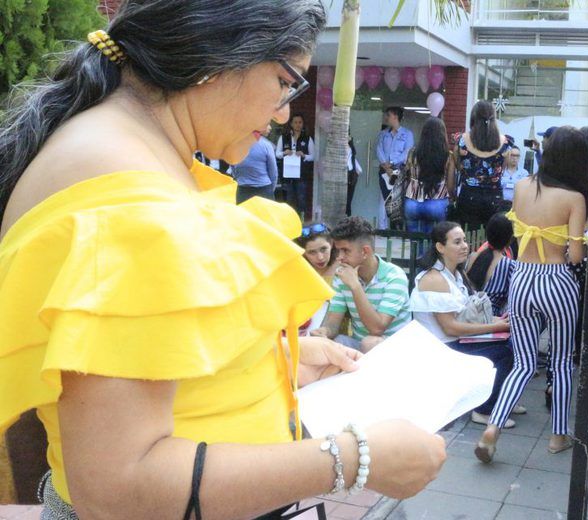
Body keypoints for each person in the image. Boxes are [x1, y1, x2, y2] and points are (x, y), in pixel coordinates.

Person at [0, 2, 447, 518]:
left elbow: (116, 364)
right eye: (285, 81)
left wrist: (267, 363)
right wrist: (351, 458)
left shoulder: (118, 157)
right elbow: (120, 485)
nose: (284, 112)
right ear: (217, 50)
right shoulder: (133, 202)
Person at [474, 126, 588, 462]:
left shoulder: (522, 186)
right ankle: (557, 436)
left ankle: (493, 428)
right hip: (557, 280)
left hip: (522, 277)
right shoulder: (575, 198)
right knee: (562, 361)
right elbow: (577, 256)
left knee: (523, 362)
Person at [409, 222, 523, 427]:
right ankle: (484, 410)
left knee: (515, 342)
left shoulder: (455, 274)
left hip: (455, 340)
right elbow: (450, 328)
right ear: (440, 247)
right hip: (440, 347)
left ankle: (504, 397)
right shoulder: (434, 279)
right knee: (507, 351)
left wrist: (503, 321)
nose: (464, 246)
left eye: (464, 240)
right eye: (457, 242)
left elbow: (466, 316)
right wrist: (496, 327)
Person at [311, 216, 411, 352]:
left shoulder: (394, 276)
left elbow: (377, 329)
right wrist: (325, 331)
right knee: (323, 344)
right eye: (338, 250)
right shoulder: (342, 276)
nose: (339, 257)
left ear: (365, 251)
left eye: (345, 251)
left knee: (370, 342)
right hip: (359, 346)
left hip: (396, 349)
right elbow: (334, 321)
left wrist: (356, 287)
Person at [455, 101, 513, 230]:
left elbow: (458, 166)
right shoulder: (505, 143)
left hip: (468, 196)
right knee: (492, 238)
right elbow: (503, 169)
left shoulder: (462, 140)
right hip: (494, 196)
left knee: (468, 237)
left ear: (473, 117)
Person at [403, 117, 454, 234]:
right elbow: (450, 185)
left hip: (413, 202)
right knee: (433, 241)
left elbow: (408, 176)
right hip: (438, 202)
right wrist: (452, 197)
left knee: (415, 241)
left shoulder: (413, 153)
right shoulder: (448, 156)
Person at [294, 222, 340, 335]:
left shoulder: (344, 266)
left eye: (323, 249)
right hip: (304, 329)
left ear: (332, 244)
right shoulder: (298, 270)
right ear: (304, 253)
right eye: (312, 252)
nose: (320, 257)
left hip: (336, 330)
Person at [467, 213, 516, 316]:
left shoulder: (473, 257)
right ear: (510, 239)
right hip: (492, 319)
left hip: (470, 313)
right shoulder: (509, 265)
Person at [275, 113, 315, 217]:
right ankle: (289, 220)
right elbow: (277, 154)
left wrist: (304, 155)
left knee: (301, 199)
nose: (298, 125)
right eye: (295, 122)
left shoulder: (307, 138)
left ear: (303, 124)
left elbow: (313, 156)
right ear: (291, 124)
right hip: (287, 176)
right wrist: (284, 153)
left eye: (300, 122)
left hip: (301, 175)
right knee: (288, 199)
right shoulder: (284, 138)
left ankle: (301, 221)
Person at [376, 106, 413, 211]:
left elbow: (407, 152)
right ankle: (382, 227)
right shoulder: (383, 134)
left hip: (399, 170)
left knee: (397, 200)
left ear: (395, 117)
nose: (386, 118)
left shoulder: (407, 134)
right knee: (383, 199)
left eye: (388, 115)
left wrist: (392, 162)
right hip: (384, 170)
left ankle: (395, 226)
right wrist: (385, 165)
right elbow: (379, 149)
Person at [233, 124, 278, 203]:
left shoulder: (236, 144)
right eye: (267, 124)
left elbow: (233, 165)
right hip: (263, 190)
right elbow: (273, 172)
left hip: (243, 190)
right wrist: (270, 190)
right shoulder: (266, 145)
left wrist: (240, 179)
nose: (270, 127)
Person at [345, 134, 362, 216]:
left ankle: (347, 220)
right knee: (344, 202)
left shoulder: (350, 144)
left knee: (348, 202)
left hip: (351, 175)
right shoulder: (338, 145)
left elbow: (352, 158)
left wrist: (358, 170)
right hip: (344, 174)